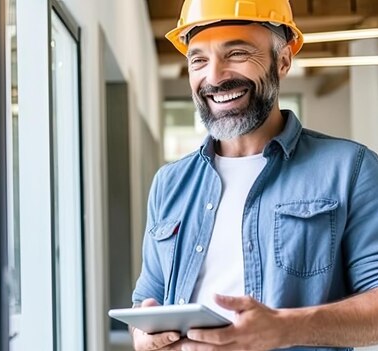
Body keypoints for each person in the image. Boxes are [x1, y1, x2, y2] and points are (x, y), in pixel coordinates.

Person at [130, 0, 378, 350]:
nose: (214, 77)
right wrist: (144, 337)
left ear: (283, 61)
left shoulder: (350, 169)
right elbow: (148, 298)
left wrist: (285, 328)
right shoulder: (169, 183)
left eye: (236, 53)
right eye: (198, 60)